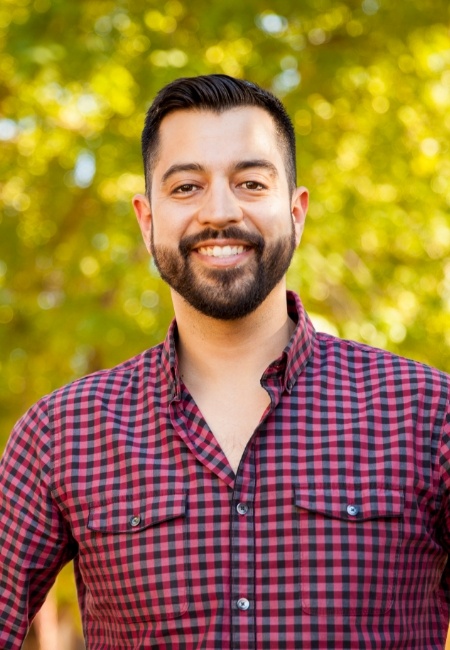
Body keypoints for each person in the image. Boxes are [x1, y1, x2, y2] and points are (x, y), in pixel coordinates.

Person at [1, 74, 449, 650]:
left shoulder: (429, 414)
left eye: (251, 182)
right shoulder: (60, 433)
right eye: (186, 187)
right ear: (146, 219)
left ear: (296, 211)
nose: (219, 211)